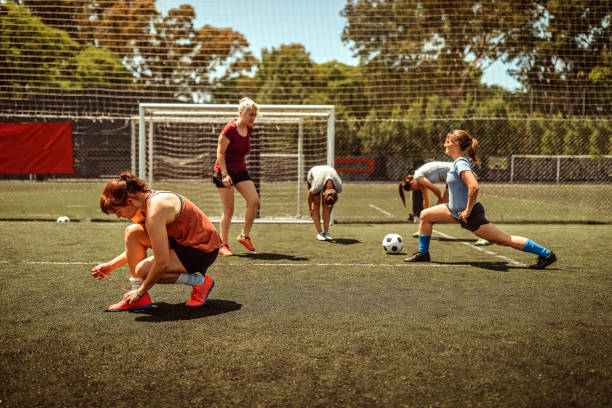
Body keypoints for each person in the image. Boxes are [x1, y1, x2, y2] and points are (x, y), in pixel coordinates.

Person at [404, 130, 557, 269]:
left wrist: (467, 210)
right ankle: (423, 254)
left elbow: (474, 187)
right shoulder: (460, 162)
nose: (444, 144)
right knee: (425, 215)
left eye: (447, 141)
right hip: (453, 210)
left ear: (456, 145)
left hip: (469, 214)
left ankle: (546, 254)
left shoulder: (461, 162)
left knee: (504, 239)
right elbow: (471, 177)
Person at [91, 172, 221, 312]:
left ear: (130, 201)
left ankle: (201, 282)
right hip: (180, 243)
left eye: (117, 211)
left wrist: (140, 291)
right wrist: (110, 266)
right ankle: (140, 301)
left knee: (143, 270)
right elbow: (135, 249)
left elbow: (161, 262)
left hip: (202, 250)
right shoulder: (142, 207)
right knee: (133, 232)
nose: (118, 216)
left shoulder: (156, 209)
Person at [399, 161, 491, 246]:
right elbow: (426, 201)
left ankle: (485, 235)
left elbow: (437, 190)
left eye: (413, 189)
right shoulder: (420, 179)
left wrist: (440, 200)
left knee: (460, 209)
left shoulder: (418, 177)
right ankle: (484, 233)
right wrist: (426, 216)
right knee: (452, 209)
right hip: (454, 177)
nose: (415, 190)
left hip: (458, 175)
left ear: (411, 182)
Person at [212, 97, 261, 256]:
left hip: (240, 170)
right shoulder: (229, 129)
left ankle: (244, 236)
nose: (252, 117)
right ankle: (223, 245)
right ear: (241, 113)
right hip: (224, 170)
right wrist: (225, 175)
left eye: (254, 115)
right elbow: (220, 154)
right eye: (250, 114)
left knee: (254, 201)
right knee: (229, 208)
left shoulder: (249, 128)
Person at [306, 165, 342, 240]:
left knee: (326, 207)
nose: (331, 196)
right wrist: (310, 209)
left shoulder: (338, 188)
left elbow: (333, 200)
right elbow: (309, 194)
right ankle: (320, 233)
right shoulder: (317, 186)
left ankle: (326, 233)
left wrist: (330, 208)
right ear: (323, 194)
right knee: (316, 204)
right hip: (315, 175)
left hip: (327, 173)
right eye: (328, 195)